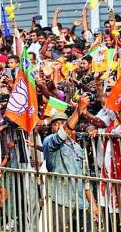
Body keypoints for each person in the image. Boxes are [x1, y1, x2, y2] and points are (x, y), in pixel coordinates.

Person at [42, 95, 99, 231]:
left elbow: (85, 179)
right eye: (55, 124)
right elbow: (62, 135)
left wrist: (93, 204)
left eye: (62, 123)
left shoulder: (78, 148)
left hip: (81, 203)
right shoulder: (49, 142)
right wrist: (78, 110)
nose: (59, 126)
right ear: (51, 128)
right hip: (61, 201)